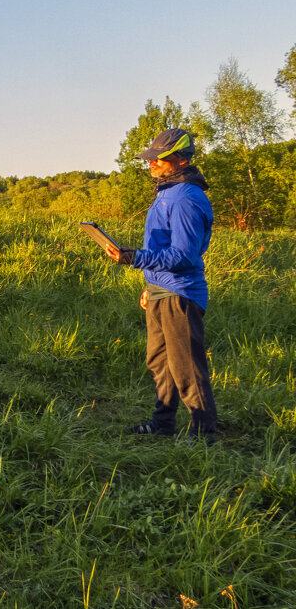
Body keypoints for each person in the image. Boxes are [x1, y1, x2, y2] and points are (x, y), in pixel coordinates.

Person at [104, 128, 218, 443]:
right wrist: (150, 285)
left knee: (186, 367)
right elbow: (164, 248)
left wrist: (135, 257)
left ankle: (203, 433)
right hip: (159, 291)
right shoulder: (166, 193)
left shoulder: (186, 198)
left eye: (158, 158)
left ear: (179, 160)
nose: (151, 164)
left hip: (180, 293)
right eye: (151, 158)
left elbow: (184, 254)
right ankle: (163, 424)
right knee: (159, 361)